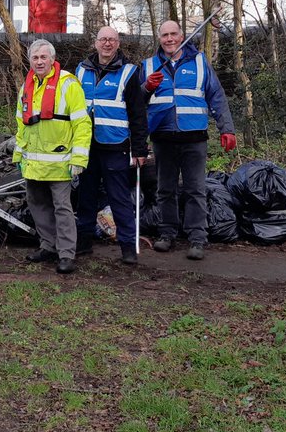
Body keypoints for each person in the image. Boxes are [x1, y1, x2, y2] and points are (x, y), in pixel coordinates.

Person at [142, 19, 237, 260]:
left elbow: (216, 95)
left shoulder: (200, 62)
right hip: (163, 137)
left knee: (195, 189)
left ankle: (197, 238)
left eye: (174, 34)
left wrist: (227, 128)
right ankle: (167, 233)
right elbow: (135, 102)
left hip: (194, 137)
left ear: (181, 35)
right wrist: (146, 88)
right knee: (165, 189)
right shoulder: (150, 65)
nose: (169, 39)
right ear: (159, 38)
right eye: (165, 35)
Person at [13, 39, 92, 274]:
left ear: (52, 59)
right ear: (30, 61)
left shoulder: (68, 84)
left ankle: (67, 253)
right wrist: (19, 154)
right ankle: (48, 245)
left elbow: (82, 123)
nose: (39, 61)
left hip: (60, 162)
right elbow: (21, 123)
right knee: (38, 205)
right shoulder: (26, 86)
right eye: (35, 58)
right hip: (33, 162)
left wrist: (79, 159)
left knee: (62, 208)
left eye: (43, 57)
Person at [74, 26, 151, 265]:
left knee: (119, 199)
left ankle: (128, 247)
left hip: (116, 146)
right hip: (86, 146)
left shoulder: (129, 72)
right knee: (85, 198)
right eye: (103, 39)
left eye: (112, 40)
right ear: (95, 43)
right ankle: (83, 243)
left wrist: (139, 149)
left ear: (118, 44)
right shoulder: (80, 70)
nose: (107, 44)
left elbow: (138, 114)